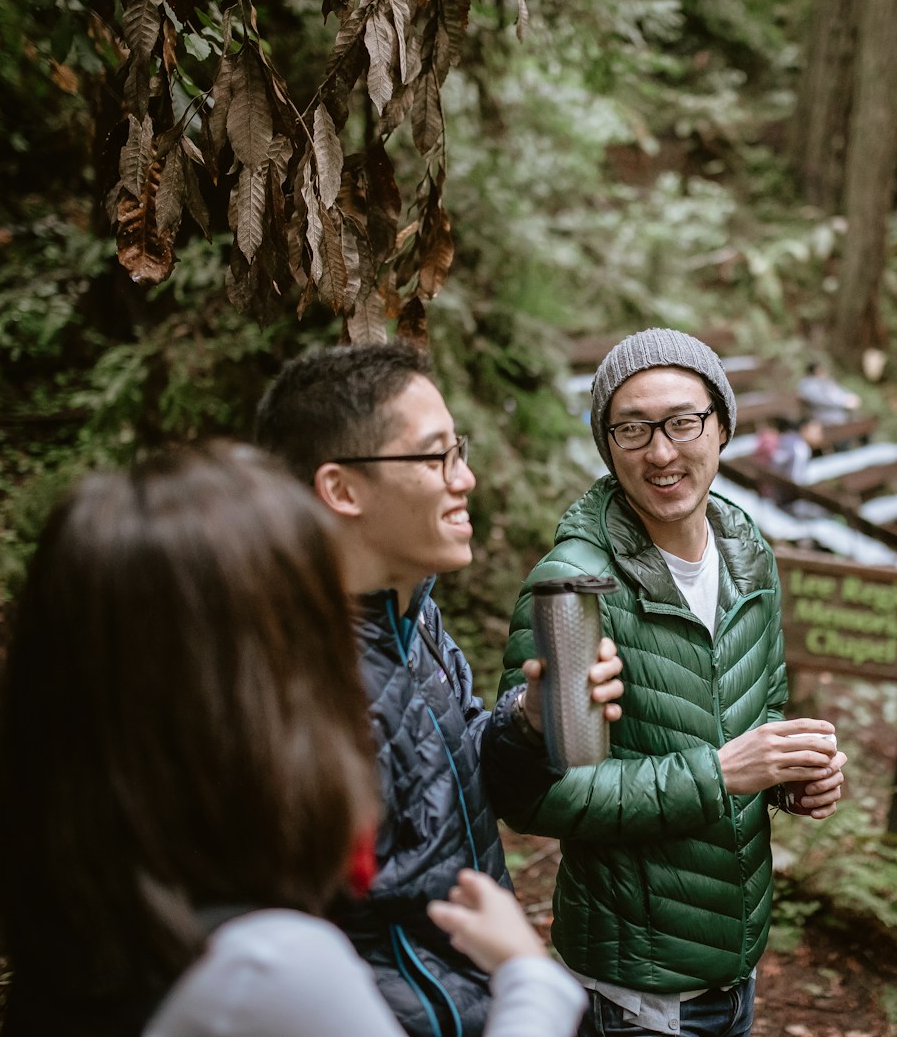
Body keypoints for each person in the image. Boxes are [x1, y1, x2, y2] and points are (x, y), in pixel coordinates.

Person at [0, 444, 586, 1037]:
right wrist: (529, 977)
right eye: (312, 615)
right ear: (239, 679)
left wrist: (526, 721)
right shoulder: (266, 969)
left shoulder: (89, 918)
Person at [253, 345, 621, 1037]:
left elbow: (451, 774)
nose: (467, 479)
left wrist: (530, 721)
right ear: (341, 489)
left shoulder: (410, 613)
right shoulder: (284, 683)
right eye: (435, 458)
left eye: (462, 451)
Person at [491, 329, 849, 1037]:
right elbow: (533, 793)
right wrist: (719, 773)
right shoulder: (575, 586)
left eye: (683, 422)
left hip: (735, 955)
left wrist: (786, 775)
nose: (661, 452)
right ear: (608, 444)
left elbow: (760, 710)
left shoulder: (749, 553)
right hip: (636, 983)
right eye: (632, 429)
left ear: (721, 427)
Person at [796, 360, 862, 427]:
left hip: (841, 417)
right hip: (828, 419)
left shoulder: (823, 381)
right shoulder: (808, 386)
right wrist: (844, 402)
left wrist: (849, 397)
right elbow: (822, 399)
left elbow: (838, 391)